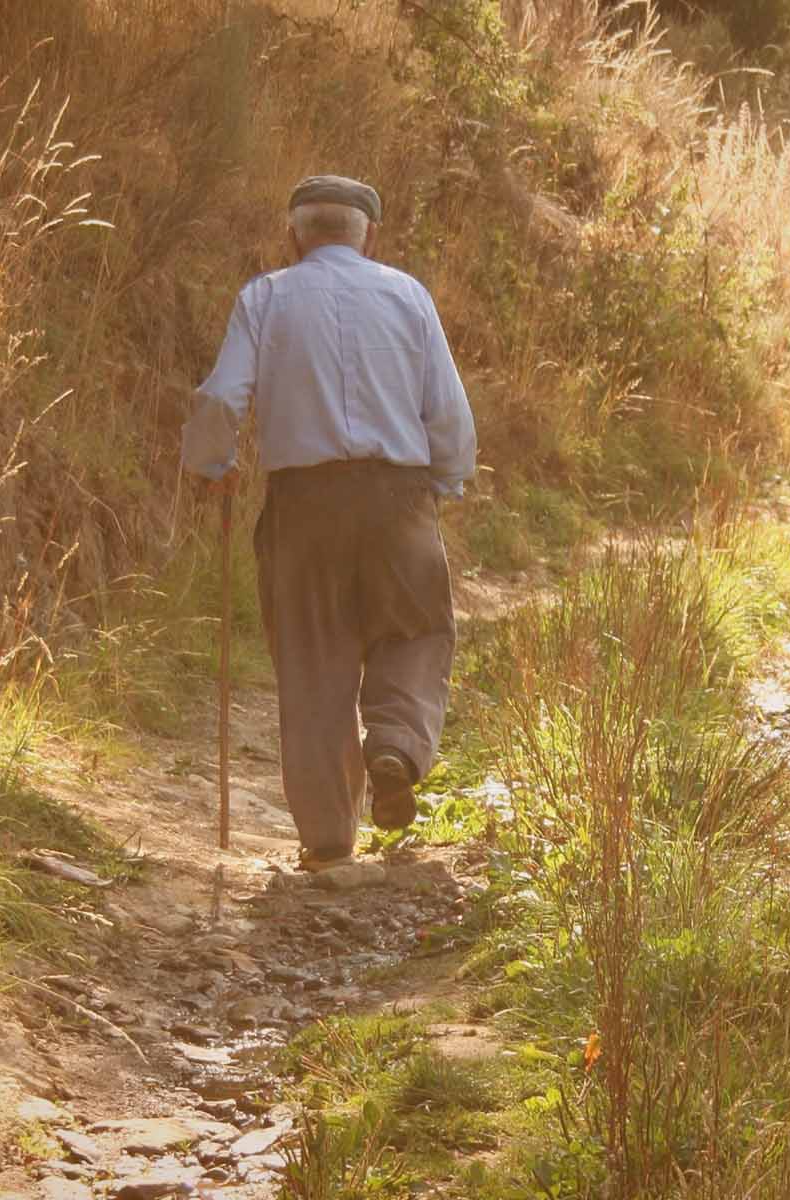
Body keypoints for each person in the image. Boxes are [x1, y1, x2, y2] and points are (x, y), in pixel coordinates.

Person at [181, 174, 477, 872]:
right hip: (396, 496)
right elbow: (449, 412)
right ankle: (396, 744)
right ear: (369, 235)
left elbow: (222, 397)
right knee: (415, 630)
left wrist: (213, 464)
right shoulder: (408, 296)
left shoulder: (266, 297)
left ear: (295, 234)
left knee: (312, 664)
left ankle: (326, 838)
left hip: (301, 508)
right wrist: (443, 481)